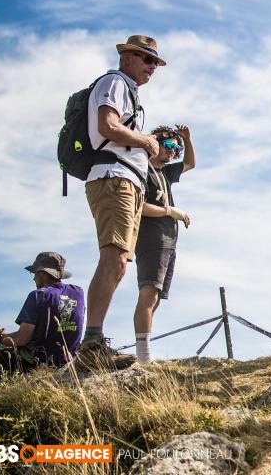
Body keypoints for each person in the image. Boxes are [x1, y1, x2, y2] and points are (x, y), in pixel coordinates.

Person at [81, 35, 165, 367]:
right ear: (126, 57)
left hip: (127, 180)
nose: (151, 67)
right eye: (146, 60)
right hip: (114, 177)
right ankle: (91, 342)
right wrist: (146, 140)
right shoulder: (115, 83)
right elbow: (108, 125)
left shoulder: (129, 91)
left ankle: (94, 339)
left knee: (119, 262)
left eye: (155, 63)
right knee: (114, 257)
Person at [132, 125, 196, 363]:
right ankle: (144, 356)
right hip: (152, 238)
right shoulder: (142, 169)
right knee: (148, 294)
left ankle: (144, 347)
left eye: (176, 149)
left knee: (156, 297)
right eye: (169, 146)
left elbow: (190, 164)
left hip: (170, 240)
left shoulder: (165, 173)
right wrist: (170, 210)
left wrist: (187, 140)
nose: (173, 152)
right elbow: (138, 206)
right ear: (154, 142)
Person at [0, 253, 85, 375]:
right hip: (69, 360)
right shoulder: (78, 292)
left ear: (42, 273)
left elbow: (21, 339)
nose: (34, 278)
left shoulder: (38, 295)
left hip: (39, 363)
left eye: (34, 274)